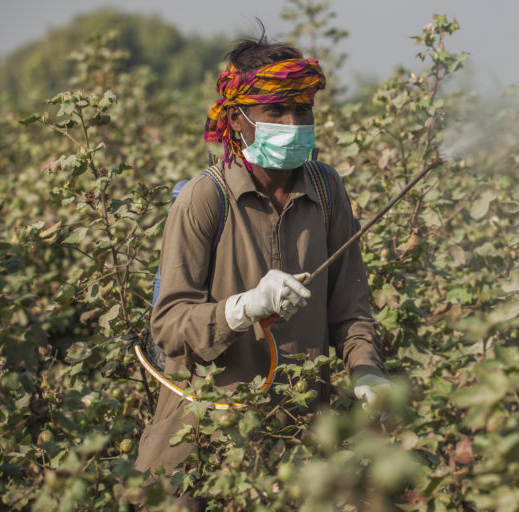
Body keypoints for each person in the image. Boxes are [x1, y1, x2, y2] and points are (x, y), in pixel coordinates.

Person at [133, 34, 391, 501]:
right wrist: (242, 308)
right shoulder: (205, 198)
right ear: (239, 117)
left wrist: (367, 371)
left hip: (296, 448)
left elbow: (350, 311)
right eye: (275, 111)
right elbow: (169, 326)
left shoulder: (328, 191)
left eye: (303, 111)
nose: (293, 124)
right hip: (202, 445)